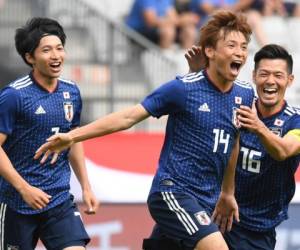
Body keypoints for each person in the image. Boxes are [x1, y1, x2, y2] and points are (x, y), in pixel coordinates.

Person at [35, 11, 254, 250]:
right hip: (172, 193)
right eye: (231, 45)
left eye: (244, 47)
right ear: (210, 51)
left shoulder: (244, 94)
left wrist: (228, 192)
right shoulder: (183, 89)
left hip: (206, 200)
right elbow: (128, 117)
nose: (239, 53)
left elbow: (233, 141)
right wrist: (71, 136)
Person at [187, 44, 300, 249]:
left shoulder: (295, 120)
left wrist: (259, 127)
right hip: (214, 209)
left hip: (256, 228)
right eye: (264, 74)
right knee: (162, 236)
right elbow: (200, 112)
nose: (270, 81)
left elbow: (284, 150)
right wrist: (196, 75)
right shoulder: (237, 104)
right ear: (254, 75)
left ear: (289, 80)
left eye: (278, 75)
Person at [0, 17, 98, 249]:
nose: (56, 55)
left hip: (58, 200)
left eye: (59, 48)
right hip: (16, 202)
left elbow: (73, 139)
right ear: (30, 58)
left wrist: (85, 186)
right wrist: (24, 189)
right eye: (46, 50)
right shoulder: (14, 96)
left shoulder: (71, 91)